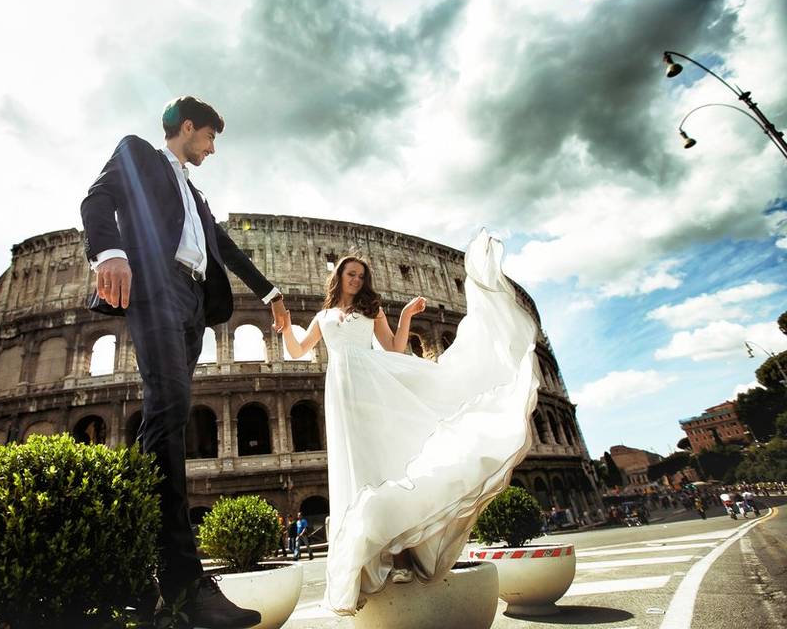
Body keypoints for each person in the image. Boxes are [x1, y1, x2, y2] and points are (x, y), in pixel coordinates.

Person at [80, 96, 289, 629]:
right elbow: (96, 202)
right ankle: (181, 577)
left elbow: (223, 247)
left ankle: (167, 571)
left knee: (168, 418)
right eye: (210, 138)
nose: (213, 149)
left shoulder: (195, 195)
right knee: (167, 414)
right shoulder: (139, 155)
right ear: (189, 127)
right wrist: (111, 254)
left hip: (194, 301)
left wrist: (269, 294)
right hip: (158, 287)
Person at [280, 231, 540, 615]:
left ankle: (400, 558)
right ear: (338, 279)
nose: (356, 280)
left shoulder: (372, 310)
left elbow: (394, 348)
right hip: (340, 390)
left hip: (372, 384)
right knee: (358, 467)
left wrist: (404, 316)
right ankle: (370, 564)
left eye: (360, 276)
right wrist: (286, 325)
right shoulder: (322, 316)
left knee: (384, 463)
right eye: (350, 274)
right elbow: (298, 351)